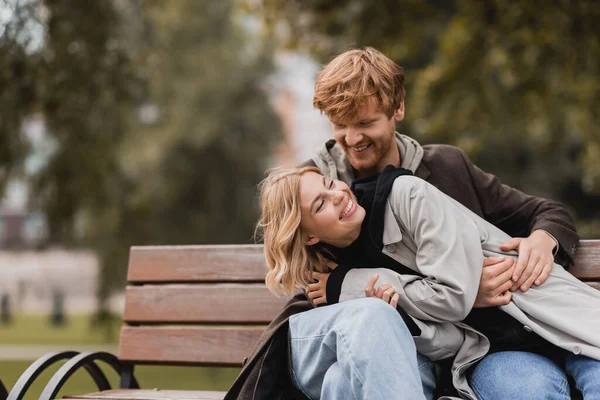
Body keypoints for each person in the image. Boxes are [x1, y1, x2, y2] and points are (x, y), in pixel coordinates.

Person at [225, 47, 579, 399]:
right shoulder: (313, 185)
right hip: (386, 349)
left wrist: (543, 238)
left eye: (365, 123)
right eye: (339, 125)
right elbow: (318, 294)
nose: (351, 139)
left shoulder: (446, 168)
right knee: (341, 376)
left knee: (531, 388)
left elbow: (547, 212)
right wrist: (469, 291)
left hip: (476, 347)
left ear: (398, 109)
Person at [256, 164, 600, 399]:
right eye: (321, 205)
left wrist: (356, 285)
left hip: (555, 317)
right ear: (309, 238)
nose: (339, 197)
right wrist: (399, 315)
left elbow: (453, 296)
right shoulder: (340, 284)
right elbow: (446, 342)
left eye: (330, 184)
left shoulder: (406, 195)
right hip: (493, 352)